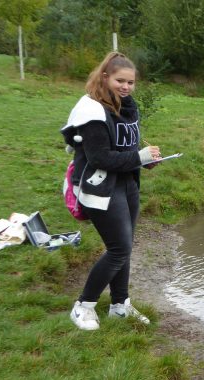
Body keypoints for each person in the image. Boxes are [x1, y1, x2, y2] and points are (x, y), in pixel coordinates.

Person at [61, 52, 161, 330]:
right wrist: (138, 158)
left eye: (130, 82)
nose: (126, 87)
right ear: (105, 77)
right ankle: (83, 305)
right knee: (119, 249)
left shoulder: (127, 106)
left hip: (127, 184)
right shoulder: (92, 111)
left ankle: (120, 306)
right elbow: (100, 158)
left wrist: (146, 160)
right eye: (120, 81)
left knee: (124, 249)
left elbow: (127, 149)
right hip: (100, 187)